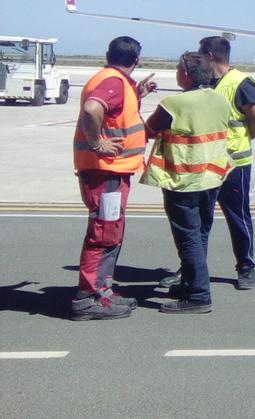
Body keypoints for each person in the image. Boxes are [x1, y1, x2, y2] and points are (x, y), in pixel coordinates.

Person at [70, 36, 156, 321]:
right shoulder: (114, 82)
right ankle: (89, 298)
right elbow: (92, 109)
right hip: (105, 171)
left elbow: (113, 114)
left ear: (109, 54)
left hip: (110, 172)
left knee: (110, 230)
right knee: (104, 233)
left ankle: (101, 290)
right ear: (137, 59)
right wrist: (97, 143)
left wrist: (138, 94)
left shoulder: (114, 80)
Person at [141, 52, 233, 314]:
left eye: (178, 70)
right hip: (213, 176)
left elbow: (148, 130)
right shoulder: (220, 100)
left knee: (188, 238)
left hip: (183, 179)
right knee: (201, 233)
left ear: (187, 74)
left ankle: (199, 295)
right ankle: (192, 283)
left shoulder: (174, 103)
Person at [179, 36, 255, 291]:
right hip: (205, 163)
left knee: (238, 218)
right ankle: (192, 271)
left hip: (233, 165)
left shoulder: (240, 83)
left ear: (209, 54)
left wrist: (241, 139)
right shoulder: (201, 83)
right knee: (199, 222)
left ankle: (246, 267)